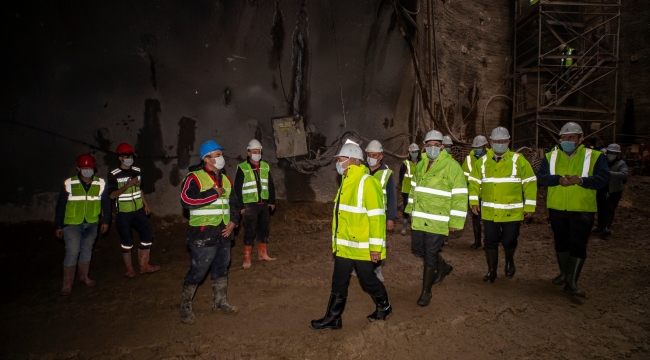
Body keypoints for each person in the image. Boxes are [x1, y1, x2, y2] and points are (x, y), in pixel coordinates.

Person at [311, 142, 391, 330]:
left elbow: (377, 217)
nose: (337, 163)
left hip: (362, 247)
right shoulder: (346, 183)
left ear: (353, 160)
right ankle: (333, 318)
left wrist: (376, 248)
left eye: (340, 159)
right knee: (338, 281)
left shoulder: (367, 182)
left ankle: (384, 306)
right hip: (344, 246)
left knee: (368, 281)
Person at [537, 122, 610, 297]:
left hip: (582, 208)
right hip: (557, 207)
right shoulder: (550, 156)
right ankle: (564, 274)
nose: (567, 140)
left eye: (571, 137)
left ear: (580, 139)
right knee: (561, 242)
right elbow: (541, 177)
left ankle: (572, 282)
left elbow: (603, 178)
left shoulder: (594, 156)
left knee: (578, 244)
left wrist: (582, 181)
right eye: (564, 137)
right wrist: (557, 180)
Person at [179, 140, 241, 324]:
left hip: (223, 233)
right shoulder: (194, 177)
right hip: (203, 234)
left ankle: (220, 302)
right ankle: (185, 306)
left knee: (222, 267)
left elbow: (234, 203)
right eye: (217, 155)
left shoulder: (226, 179)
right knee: (198, 271)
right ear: (206, 159)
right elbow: (186, 200)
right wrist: (214, 193)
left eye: (221, 154)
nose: (221, 157)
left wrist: (233, 221)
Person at [404, 130, 467, 306]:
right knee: (418, 249)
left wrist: (455, 221)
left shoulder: (452, 166)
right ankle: (443, 266)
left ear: (442, 147)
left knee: (430, 253)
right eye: (429, 145)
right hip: (419, 216)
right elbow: (413, 188)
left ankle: (426, 291)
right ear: (425, 146)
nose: (432, 148)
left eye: (436, 145)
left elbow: (460, 195)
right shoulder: (421, 163)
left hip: (438, 219)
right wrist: (410, 207)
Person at [468, 127, 537, 283]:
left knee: (508, 240)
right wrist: (473, 201)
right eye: (497, 142)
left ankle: (509, 260)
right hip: (489, 211)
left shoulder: (518, 160)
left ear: (508, 142)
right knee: (490, 241)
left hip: (512, 212)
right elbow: (473, 182)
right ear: (491, 143)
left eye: (503, 142)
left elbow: (530, 182)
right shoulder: (483, 162)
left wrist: (530, 206)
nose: (500, 144)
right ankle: (491, 271)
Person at [55, 154, 111, 295]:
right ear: (78, 168)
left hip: (92, 223)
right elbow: (61, 205)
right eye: (84, 167)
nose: (87, 170)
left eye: (90, 167)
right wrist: (58, 225)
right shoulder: (70, 183)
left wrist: (106, 221)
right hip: (72, 223)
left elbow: (106, 203)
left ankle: (84, 278)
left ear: (94, 168)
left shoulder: (100, 183)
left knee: (87, 250)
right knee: (72, 252)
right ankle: (67, 285)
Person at [107, 143, 160, 277]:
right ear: (120, 158)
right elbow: (112, 195)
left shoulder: (137, 171)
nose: (129, 158)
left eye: (131, 156)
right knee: (126, 241)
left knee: (147, 236)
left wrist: (145, 204)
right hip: (123, 213)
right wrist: (127, 185)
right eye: (126, 156)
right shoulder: (114, 174)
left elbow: (140, 189)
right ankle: (129, 268)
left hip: (139, 211)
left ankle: (144, 265)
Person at [234, 139, 276, 269]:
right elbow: (237, 188)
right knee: (249, 231)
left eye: (259, 151)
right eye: (254, 151)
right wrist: (240, 206)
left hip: (263, 203)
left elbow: (270, 184)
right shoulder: (242, 168)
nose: (257, 153)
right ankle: (247, 258)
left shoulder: (265, 166)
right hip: (249, 205)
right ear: (248, 153)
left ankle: (262, 254)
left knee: (264, 228)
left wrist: (272, 201)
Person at [364, 140, 397, 282]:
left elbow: (392, 197)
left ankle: (377, 270)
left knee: (377, 243)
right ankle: (360, 267)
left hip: (378, 215)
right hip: (362, 214)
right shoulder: (361, 170)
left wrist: (391, 218)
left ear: (380, 157)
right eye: (369, 154)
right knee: (362, 241)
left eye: (374, 155)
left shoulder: (387, 174)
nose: (371, 157)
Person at [594, 143, 628, 238]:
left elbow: (624, 174)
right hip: (602, 189)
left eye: (614, 153)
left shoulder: (621, 163)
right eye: (610, 152)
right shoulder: (602, 161)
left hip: (614, 190)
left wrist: (609, 173)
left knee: (609, 209)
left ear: (618, 154)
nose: (611, 154)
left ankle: (606, 227)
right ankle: (600, 226)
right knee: (601, 208)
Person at [462, 135, 489, 249]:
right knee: (476, 218)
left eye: (479, 147)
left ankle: (489, 242)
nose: (477, 149)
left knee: (488, 219)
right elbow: (464, 177)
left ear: (484, 146)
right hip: (474, 195)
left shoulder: (491, 157)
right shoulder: (469, 159)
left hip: (489, 195)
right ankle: (477, 242)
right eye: (475, 147)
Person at [399, 143, 420, 236]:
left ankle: (415, 227)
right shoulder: (405, 163)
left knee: (417, 207)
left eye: (416, 152)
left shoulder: (422, 163)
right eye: (413, 152)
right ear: (409, 152)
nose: (414, 153)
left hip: (419, 189)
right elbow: (400, 177)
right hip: (407, 190)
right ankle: (404, 227)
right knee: (407, 207)